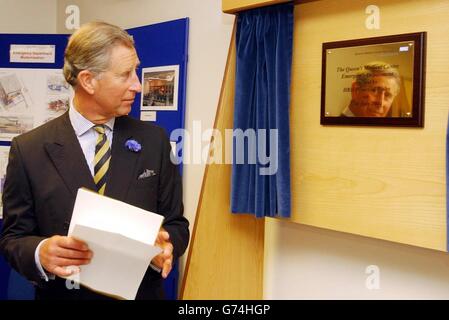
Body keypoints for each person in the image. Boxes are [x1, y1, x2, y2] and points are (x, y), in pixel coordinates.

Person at [0, 21, 189, 300]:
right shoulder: (29, 149)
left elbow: (176, 224)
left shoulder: (155, 141)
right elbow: (13, 238)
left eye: (135, 70)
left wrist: (166, 245)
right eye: (126, 74)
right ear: (88, 80)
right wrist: (41, 252)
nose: (137, 84)